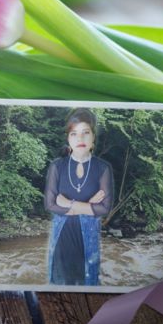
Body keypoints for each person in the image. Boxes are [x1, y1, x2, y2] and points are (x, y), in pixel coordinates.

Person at [43, 108, 114, 285]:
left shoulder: (103, 168)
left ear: (93, 137)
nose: (80, 139)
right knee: (60, 287)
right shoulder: (57, 166)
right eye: (74, 133)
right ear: (68, 138)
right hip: (61, 242)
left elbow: (105, 208)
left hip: (88, 242)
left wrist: (69, 203)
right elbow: (50, 204)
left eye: (85, 132)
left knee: (88, 286)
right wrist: (88, 205)